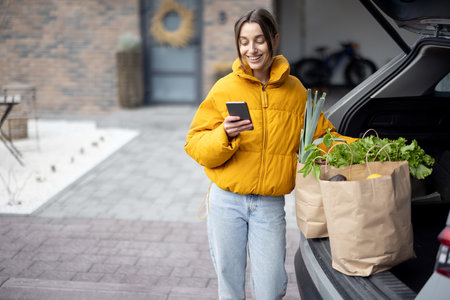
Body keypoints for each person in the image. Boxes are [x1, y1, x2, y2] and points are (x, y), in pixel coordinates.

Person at [185, 8, 355, 300]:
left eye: (259, 40)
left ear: (274, 39)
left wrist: (363, 149)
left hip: (268, 205)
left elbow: (322, 138)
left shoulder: (295, 91)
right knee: (230, 286)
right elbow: (195, 144)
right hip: (226, 202)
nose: (251, 49)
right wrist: (223, 134)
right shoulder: (224, 88)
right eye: (244, 41)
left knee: (270, 288)